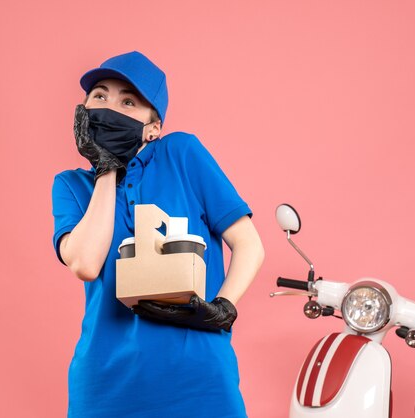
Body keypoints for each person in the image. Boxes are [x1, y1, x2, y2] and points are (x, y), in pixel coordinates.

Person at [51, 51, 265, 418]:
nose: (110, 107)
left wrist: (224, 307)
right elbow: (85, 264)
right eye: (99, 96)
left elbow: (248, 244)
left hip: (198, 376)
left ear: (153, 127)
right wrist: (106, 169)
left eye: (129, 101)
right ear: (83, 112)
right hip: (106, 385)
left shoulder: (182, 153)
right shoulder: (71, 185)